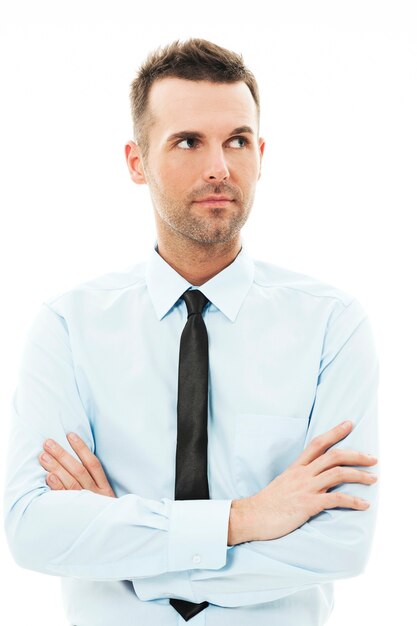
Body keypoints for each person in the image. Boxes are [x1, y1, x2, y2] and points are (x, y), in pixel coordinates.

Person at [3, 38, 379, 626]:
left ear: (261, 153)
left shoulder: (332, 325)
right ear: (136, 161)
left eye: (238, 140)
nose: (219, 168)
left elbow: (340, 545)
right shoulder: (66, 327)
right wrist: (246, 519)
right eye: (187, 142)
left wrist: (124, 548)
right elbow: (33, 531)